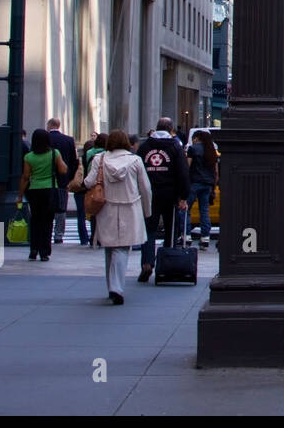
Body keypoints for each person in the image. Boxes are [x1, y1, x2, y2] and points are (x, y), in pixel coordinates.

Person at [85, 129, 151, 305]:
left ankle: (111, 287)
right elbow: (145, 187)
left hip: (106, 207)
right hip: (129, 206)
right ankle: (116, 287)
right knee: (122, 248)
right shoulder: (135, 160)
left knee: (109, 247)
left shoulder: (100, 159)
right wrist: (147, 210)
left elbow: (89, 182)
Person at [135, 117, 191, 283]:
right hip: (170, 193)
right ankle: (166, 263)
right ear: (171, 129)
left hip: (149, 193)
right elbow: (182, 172)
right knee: (170, 228)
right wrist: (183, 195)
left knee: (149, 229)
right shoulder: (175, 146)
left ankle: (147, 262)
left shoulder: (145, 146)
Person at [17, 128, 66, 262]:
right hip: (50, 189)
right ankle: (44, 252)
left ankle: (33, 249)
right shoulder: (54, 154)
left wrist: (20, 195)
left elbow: (26, 177)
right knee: (48, 221)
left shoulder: (29, 157)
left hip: (34, 190)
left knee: (35, 220)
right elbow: (62, 170)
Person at [46, 118, 80, 246]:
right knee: (61, 207)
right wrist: (69, 177)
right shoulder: (69, 140)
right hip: (63, 178)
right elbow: (74, 161)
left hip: (46, 178)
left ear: (50, 125)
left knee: (47, 207)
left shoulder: (45, 139)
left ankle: (47, 233)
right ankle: (58, 235)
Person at [186, 129, 217, 249]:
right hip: (208, 184)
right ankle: (205, 238)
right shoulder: (211, 150)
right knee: (204, 211)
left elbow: (187, 167)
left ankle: (187, 236)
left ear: (196, 138)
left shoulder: (193, 149)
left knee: (186, 209)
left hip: (194, 182)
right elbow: (216, 171)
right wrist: (213, 186)